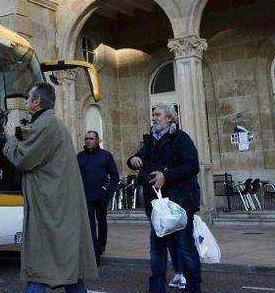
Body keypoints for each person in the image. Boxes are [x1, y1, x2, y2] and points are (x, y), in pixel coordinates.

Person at [3, 83, 98, 293]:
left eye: (28, 97)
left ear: (37, 102)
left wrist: (10, 139)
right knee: (69, 270)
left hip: (50, 210)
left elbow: (24, 158)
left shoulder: (46, 125)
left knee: (41, 269)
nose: (26, 101)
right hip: (58, 208)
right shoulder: (51, 124)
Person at [127, 102, 202, 293]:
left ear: (169, 118)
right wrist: (132, 160)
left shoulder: (181, 138)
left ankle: (194, 288)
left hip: (180, 203)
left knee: (186, 248)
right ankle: (156, 287)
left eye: (158, 114)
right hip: (158, 206)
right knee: (157, 248)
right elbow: (138, 158)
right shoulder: (151, 141)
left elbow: (192, 166)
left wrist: (166, 176)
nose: (154, 117)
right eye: (153, 114)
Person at [77, 130, 119, 266]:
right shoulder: (79, 157)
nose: (88, 141)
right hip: (86, 196)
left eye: (91, 138)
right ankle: (94, 256)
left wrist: (110, 192)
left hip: (102, 196)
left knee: (102, 222)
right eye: (86, 138)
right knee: (90, 225)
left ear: (97, 140)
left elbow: (114, 176)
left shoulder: (106, 156)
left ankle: (101, 246)